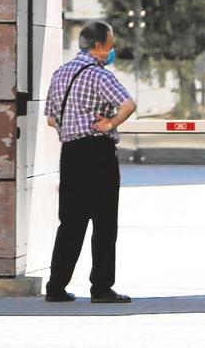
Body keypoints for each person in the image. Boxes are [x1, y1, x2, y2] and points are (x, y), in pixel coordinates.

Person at [43, 20, 136, 306]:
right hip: (97, 153)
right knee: (105, 223)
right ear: (98, 46)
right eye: (110, 44)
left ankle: (56, 286)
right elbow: (128, 104)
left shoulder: (60, 73)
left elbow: (50, 118)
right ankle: (101, 288)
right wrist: (109, 124)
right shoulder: (99, 75)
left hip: (70, 153)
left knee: (70, 223)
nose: (112, 49)